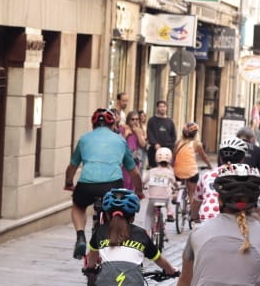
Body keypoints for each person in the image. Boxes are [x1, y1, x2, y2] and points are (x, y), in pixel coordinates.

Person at [65, 108, 136, 259]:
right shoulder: (120, 140)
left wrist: (69, 182)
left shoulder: (84, 139)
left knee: (78, 206)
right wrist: (140, 191)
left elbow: (72, 166)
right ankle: (111, 239)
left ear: (93, 125)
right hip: (113, 185)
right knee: (116, 209)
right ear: (113, 126)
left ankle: (80, 236)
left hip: (87, 185)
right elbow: (133, 172)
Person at [170, 122, 210, 216]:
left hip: (178, 171)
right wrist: (209, 166)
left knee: (179, 184)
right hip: (191, 172)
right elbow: (204, 157)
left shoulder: (178, 142)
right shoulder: (197, 144)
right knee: (192, 193)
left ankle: (176, 194)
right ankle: (193, 215)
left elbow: (174, 156)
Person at [142, 146, 177, 227]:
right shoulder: (169, 172)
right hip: (165, 199)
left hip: (152, 198)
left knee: (149, 214)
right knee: (168, 198)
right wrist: (176, 188)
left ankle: (147, 231)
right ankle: (169, 212)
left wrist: (142, 187)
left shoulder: (151, 171)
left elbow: (143, 182)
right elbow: (174, 183)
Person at [144, 100, 176, 168]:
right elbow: (149, 133)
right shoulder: (151, 120)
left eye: (164, 106)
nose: (162, 108)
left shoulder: (170, 121)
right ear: (157, 108)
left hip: (167, 149)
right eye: (160, 106)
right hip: (154, 149)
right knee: (154, 168)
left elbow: (173, 135)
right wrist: (155, 143)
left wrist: (171, 147)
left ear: (166, 108)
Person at [120, 110, 145, 193]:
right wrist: (126, 134)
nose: (135, 121)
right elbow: (120, 142)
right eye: (132, 119)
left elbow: (143, 144)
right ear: (128, 119)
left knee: (133, 182)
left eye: (137, 119)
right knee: (126, 181)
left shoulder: (139, 130)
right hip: (125, 159)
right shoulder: (123, 128)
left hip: (135, 159)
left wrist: (138, 134)